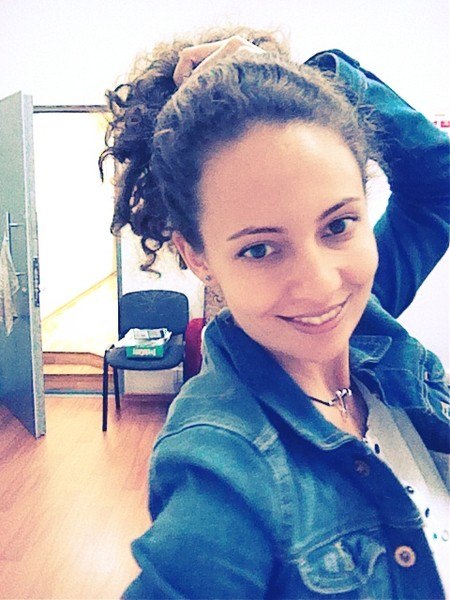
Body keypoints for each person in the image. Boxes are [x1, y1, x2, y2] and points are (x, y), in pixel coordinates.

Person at [100, 27, 450, 599]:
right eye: (260, 249)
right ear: (198, 256)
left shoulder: (365, 323)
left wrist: (321, 78)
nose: (320, 284)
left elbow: (441, 182)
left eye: (338, 225)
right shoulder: (224, 473)